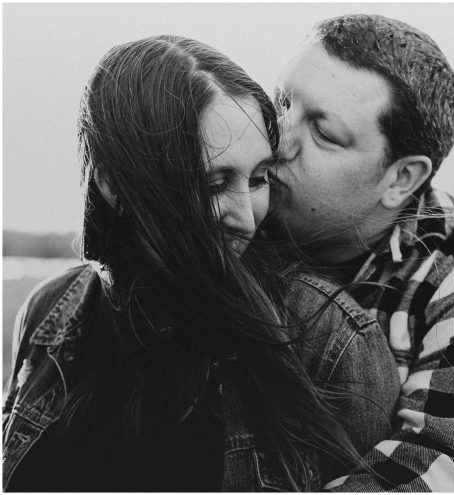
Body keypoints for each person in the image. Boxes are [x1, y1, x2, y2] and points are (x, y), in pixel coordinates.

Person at [2, 35, 399, 491]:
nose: (246, 219)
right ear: (114, 185)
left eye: (257, 178)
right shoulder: (50, 311)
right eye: (213, 184)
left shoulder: (328, 338)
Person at [264, 14, 454, 491]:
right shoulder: (223, 210)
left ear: (401, 179)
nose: (278, 139)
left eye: (323, 133)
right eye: (282, 103)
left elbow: (435, 471)